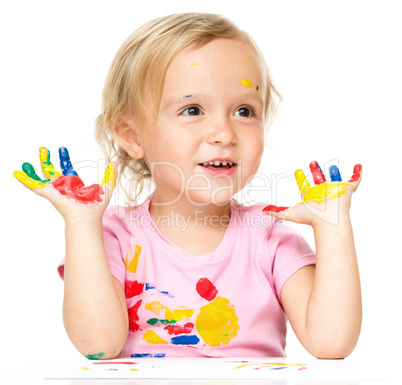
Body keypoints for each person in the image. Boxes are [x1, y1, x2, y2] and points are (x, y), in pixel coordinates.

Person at [13, 12, 362, 360]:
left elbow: (331, 343)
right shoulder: (115, 237)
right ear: (133, 136)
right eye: (193, 109)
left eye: (244, 111)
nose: (224, 134)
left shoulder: (270, 237)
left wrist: (332, 225)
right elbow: (99, 346)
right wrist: (81, 224)